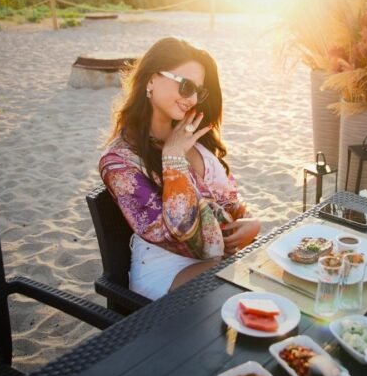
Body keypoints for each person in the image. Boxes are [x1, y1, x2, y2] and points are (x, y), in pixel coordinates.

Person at [99, 37, 261, 300]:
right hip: (167, 274)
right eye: (186, 86)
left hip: (221, 260)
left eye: (199, 91)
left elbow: (230, 199)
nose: (193, 98)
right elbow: (181, 236)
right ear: (151, 80)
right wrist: (173, 159)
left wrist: (251, 222)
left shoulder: (193, 134)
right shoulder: (118, 161)